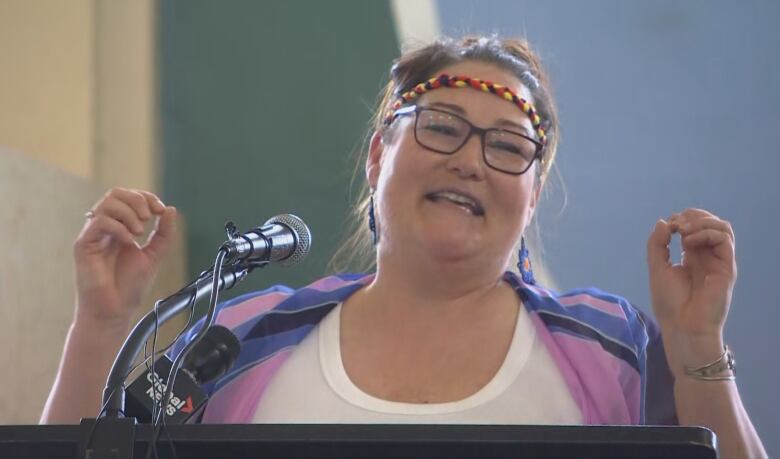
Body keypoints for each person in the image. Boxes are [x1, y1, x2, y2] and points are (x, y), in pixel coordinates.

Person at [40, 36, 767, 458]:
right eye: (443, 126)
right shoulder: (239, 338)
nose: (471, 160)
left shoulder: (612, 347)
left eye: (508, 146)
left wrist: (696, 341)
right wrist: (101, 325)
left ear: (533, 197)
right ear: (377, 156)